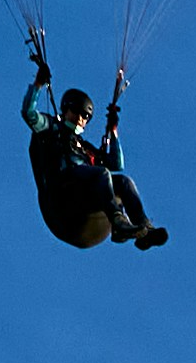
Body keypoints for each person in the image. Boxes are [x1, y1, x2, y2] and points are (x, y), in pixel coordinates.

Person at [21, 57, 167, 252]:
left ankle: (144, 229)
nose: (81, 118)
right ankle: (117, 220)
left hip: (85, 210)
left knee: (124, 182)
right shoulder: (51, 128)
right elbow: (29, 114)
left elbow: (116, 164)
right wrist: (38, 84)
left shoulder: (84, 147)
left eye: (86, 116)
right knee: (101, 173)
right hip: (61, 197)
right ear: (66, 109)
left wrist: (113, 131)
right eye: (77, 111)